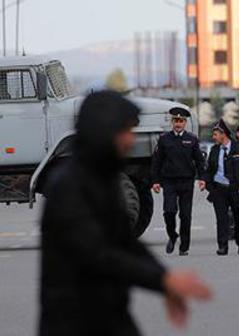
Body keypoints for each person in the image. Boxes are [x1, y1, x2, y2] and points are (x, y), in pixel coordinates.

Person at [39, 91, 212, 336]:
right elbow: (98, 252)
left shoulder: (103, 179)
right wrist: (162, 281)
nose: (131, 141)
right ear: (104, 132)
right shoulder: (69, 185)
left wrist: (165, 279)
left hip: (110, 315)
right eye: (126, 132)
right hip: (72, 321)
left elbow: (124, 241)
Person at [151, 107, 206, 256]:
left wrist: (202, 178)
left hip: (186, 181)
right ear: (171, 122)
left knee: (185, 215)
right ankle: (172, 235)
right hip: (169, 181)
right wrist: (155, 181)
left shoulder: (192, 139)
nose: (178, 124)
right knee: (169, 211)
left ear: (185, 123)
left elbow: (199, 161)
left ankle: (184, 246)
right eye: (176, 120)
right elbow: (157, 162)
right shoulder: (164, 139)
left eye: (181, 121)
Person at [203, 119, 239, 255]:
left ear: (223, 134)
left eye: (215, 135)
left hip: (236, 189)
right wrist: (206, 183)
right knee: (221, 219)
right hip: (219, 189)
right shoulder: (214, 151)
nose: (213, 138)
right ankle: (222, 246)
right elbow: (209, 170)